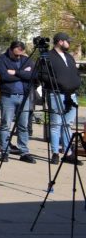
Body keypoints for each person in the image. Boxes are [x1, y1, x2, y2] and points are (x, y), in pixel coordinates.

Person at [39, 33, 82, 166]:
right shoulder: (48, 56)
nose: (69, 44)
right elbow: (42, 75)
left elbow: (75, 73)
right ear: (60, 42)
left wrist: (77, 81)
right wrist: (58, 82)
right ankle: (55, 153)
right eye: (68, 41)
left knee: (67, 124)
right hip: (56, 94)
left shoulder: (69, 57)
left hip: (71, 95)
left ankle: (68, 153)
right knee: (56, 124)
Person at [0, 40, 35, 164]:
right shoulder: (1, 59)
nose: (18, 57)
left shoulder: (26, 60)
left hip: (24, 96)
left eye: (20, 54)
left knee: (23, 126)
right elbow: (4, 77)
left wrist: (15, 72)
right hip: (8, 96)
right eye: (16, 54)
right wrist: (23, 74)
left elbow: (32, 76)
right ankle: (5, 151)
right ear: (11, 50)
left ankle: (24, 152)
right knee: (5, 125)